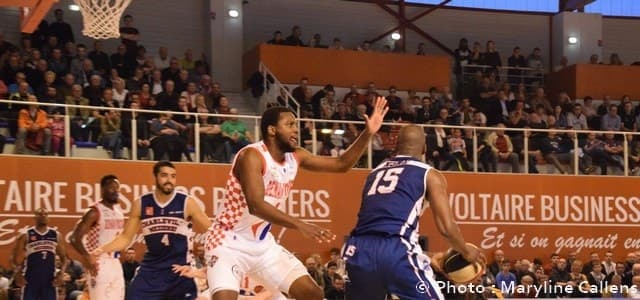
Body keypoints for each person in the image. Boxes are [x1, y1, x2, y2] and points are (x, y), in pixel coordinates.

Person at [204, 97, 388, 300]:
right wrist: (301, 225)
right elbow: (256, 206)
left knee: (312, 293)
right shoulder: (252, 156)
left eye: (296, 125)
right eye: (290, 124)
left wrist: (367, 133)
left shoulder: (296, 156)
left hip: (262, 245)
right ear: (272, 130)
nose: (296, 130)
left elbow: (341, 164)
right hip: (227, 241)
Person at [342, 125, 484, 300]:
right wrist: (465, 251)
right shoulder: (429, 174)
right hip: (396, 249)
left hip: (357, 249)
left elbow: (378, 232)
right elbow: (446, 227)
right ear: (424, 148)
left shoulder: (374, 173)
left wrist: (429, 257)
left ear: (395, 146)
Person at [93, 161, 212, 300]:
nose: (169, 180)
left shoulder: (187, 202)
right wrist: (101, 249)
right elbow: (125, 238)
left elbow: (212, 231)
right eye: (164, 175)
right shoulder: (141, 203)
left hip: (180, 270)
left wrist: (207, 266)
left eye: (173, 176)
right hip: (151, 271)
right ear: (155, 177)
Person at [70, 175, 125, 300]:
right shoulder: (94, 211)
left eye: (117, 188)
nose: (116, 191)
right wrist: (87, 257)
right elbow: (74, 238)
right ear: (103, 189)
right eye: (112, 188)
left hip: (116, 262)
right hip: (99, 262)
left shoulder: (118, 210)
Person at [12, 208, 68, 300]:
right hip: (30, 278)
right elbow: (13, 258)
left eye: (46, 214)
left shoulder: (56, 234)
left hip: (49, 278)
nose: (43, 216)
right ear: (34, 217)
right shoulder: (26, 234)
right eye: (40, 214)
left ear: (49, 217)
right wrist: (17, 273)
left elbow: (64, 258)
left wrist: (61, 273)